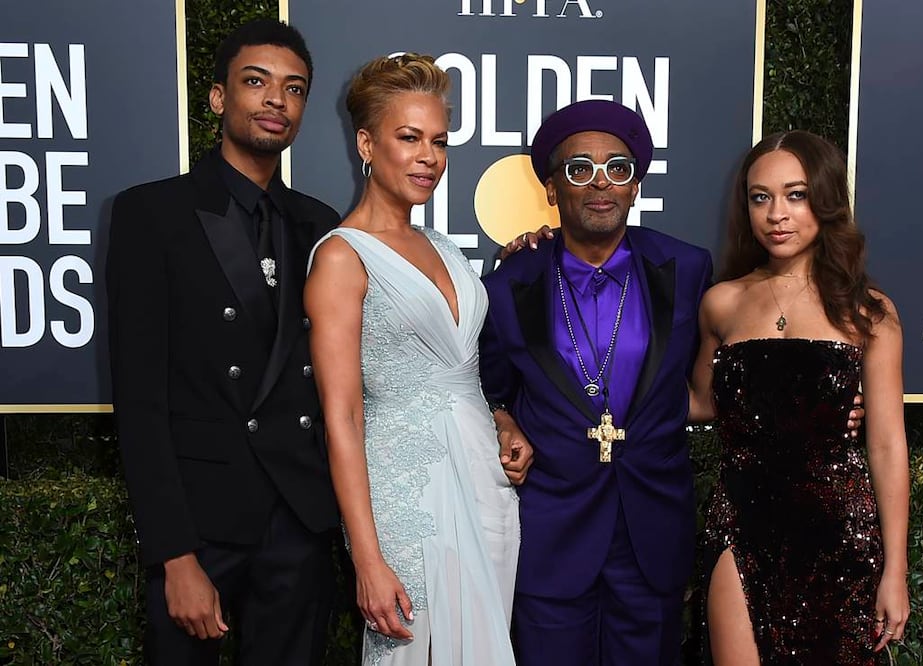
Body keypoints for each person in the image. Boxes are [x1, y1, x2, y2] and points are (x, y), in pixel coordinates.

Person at [107, 19, 339, 664]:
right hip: (200, 525)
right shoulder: (152, 214)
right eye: (256, 82)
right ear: (217, 97)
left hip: (298, 523)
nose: (276, 99)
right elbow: (140, 398)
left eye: (294, 88)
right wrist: (174, 555)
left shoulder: (319, 225)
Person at [304, 54, 525, 666]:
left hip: (486, 489)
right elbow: (342, 416)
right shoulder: (342, 258)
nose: (429, 156)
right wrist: (367, 559)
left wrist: (503, 421)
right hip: (406, 500)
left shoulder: (444, 247)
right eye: (409, 138)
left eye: (439, 141)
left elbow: (460, 373)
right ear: (366, 144)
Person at [478, 99, 714, 665]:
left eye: (617, 168)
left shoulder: (688, 269)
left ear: (635, 186)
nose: (601, 182)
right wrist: (502, 418)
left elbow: (738, 363)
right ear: (551, 188)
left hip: (651, 531)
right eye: (580, 168)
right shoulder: (510, 283)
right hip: (552, 532)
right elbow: (486, 387)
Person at [688, 130, 911, 664]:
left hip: (839, 534)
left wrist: (895, 569)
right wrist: (599, 374)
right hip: (739, 523)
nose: (776, 214)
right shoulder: (722, 303)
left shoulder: (867, 313)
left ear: (825, 200)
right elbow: (698, 402)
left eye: (796, 195)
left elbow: (886, 446)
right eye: (760, 197)